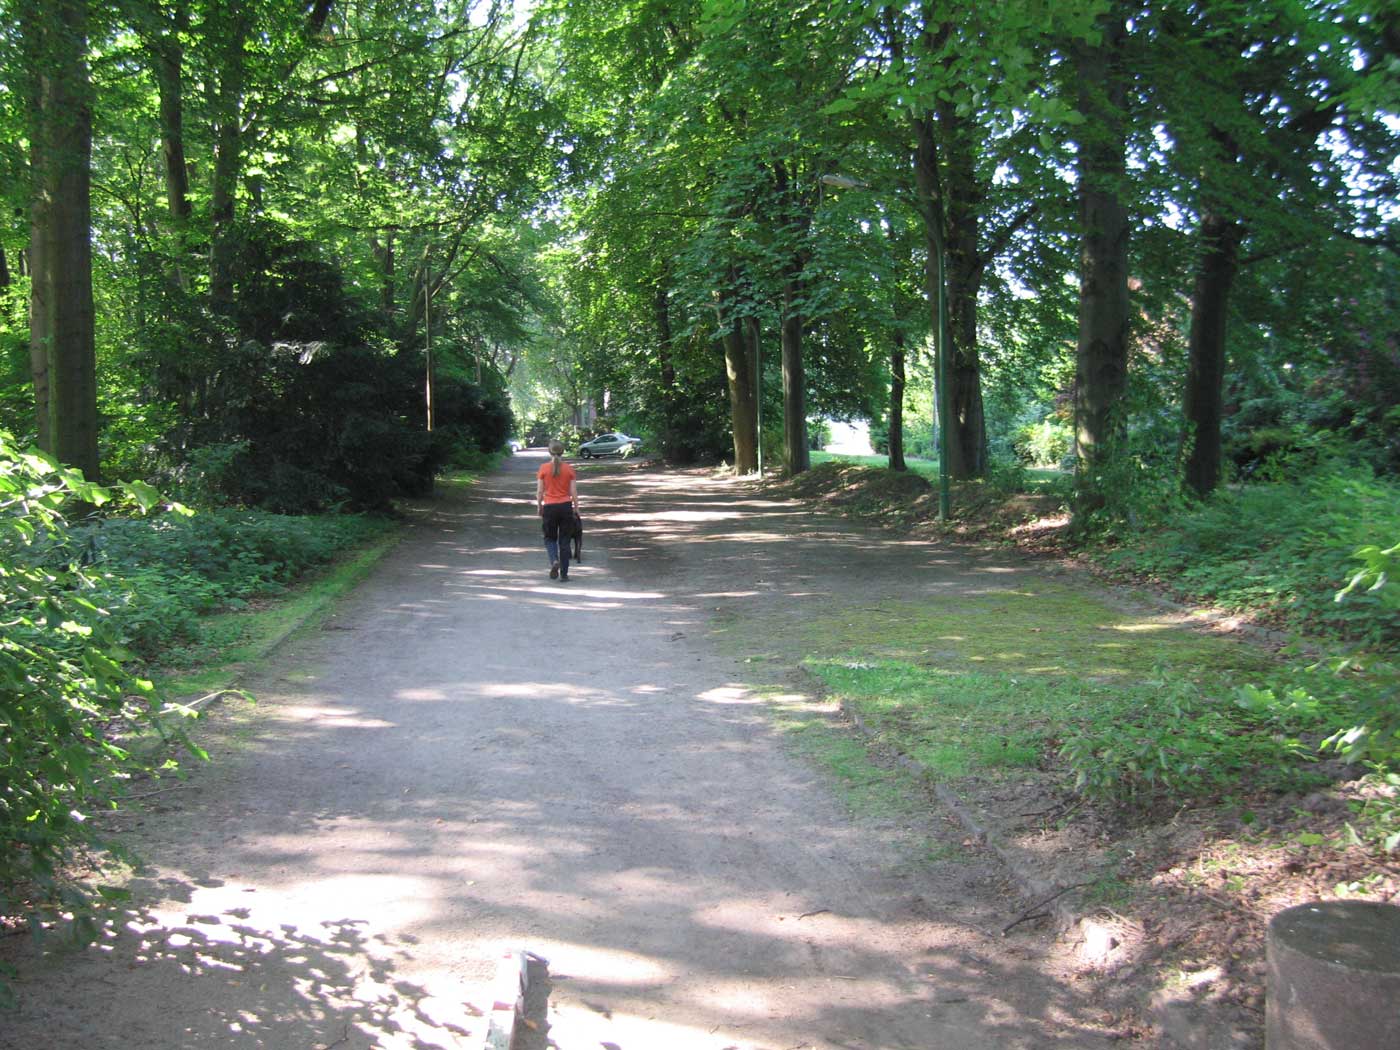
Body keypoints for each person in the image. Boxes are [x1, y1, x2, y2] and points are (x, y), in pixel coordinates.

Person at [535, 439, 579, 581]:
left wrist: (539, 506)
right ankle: (564, 575)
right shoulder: (569, 469)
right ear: (562, 452)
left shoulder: (543, 468)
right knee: (565, 541)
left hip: (549, 507)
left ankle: (554, 560)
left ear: (549, 452)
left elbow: (540, 491)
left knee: (550, 538)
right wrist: (576, 508)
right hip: (565, 507)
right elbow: (573, 492)